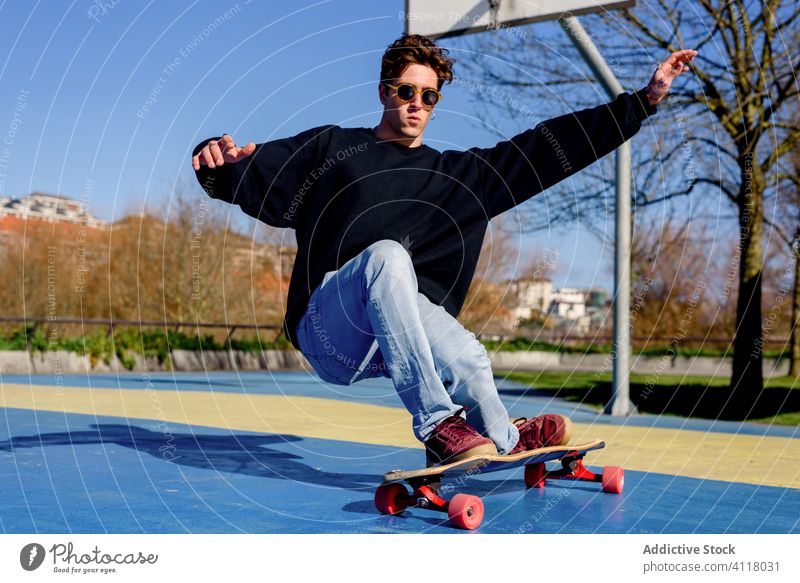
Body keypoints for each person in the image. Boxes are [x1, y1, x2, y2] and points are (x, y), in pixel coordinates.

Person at [192, 34, 696, 466]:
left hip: (391, 341)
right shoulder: (333, 150)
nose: (416, 103)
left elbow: (543, 150)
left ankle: (506, 440)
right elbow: (247, 169)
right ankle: (439, 426)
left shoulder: (460, 178)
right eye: (406, 91)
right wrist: (216, 158)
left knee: (470, 356)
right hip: (328, 330)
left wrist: (639, 104)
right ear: (384, 91)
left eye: (428, 97)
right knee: (388, 257)